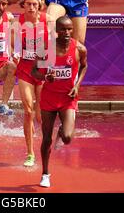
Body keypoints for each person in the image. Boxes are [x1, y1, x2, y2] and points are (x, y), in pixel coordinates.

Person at [31, 16, 87, 188]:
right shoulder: (46, 49)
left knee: (68, 137)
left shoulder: (79, 49)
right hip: (49, 98)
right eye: (63, 29)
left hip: (68, 98)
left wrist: (77, 85)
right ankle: (45, 174)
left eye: (70, 29)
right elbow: (34, 71)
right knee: (46, 139)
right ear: (57, 30)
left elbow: (84, 66)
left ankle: (63, 129)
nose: (67, 33)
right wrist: (44, 76)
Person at [14, 0, 54, 167]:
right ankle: (30, 153)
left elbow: (55, 45)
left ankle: (47, 144)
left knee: (41, 115)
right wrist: (13, 53)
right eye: (28, 4)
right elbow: (12, 44)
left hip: (43, 70)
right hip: (25, 70)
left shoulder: (49, 21)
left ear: (39, 6)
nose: (31, 7)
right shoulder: (17, 23)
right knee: (28, 111)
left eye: (34, 4)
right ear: (23, 5)